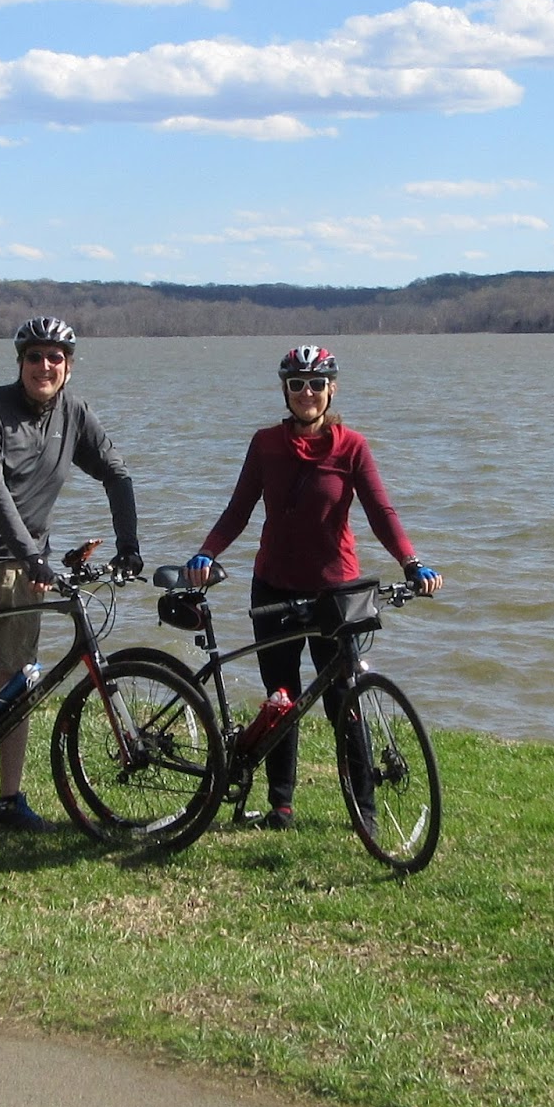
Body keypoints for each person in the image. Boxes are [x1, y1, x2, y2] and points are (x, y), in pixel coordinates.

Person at [185, 344, 441, 831]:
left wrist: (412, 561)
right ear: (285, 390)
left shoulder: (353, 446)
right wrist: (207, 552)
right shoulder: (264, 444)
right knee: (280, 699)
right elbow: (238, 509)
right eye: (297, 384)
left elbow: (381, 512)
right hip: (274, 587)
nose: (307, 393)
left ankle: (364, 811)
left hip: (336, 593)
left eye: (316, 384)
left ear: (332, 389)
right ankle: (280, 807)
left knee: (343, 698)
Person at [0, 315, 142, 854]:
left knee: (16, 683)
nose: (46, 366)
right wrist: (32, 556)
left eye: (56, 358)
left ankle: (11, 800)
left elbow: (117, 473)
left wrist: (129, 544)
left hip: (27, 561)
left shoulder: (73, 413)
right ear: (20, 362)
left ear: (68, 366)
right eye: (36, 357)